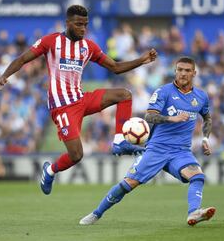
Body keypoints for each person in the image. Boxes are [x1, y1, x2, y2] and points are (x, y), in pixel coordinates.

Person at [0, 5, 157, 195]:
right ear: (68, 23)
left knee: (125, 95)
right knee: (76, 155)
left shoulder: (88, 47)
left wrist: (142, 60)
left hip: (81, 99)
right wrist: (5, 75)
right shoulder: (51, 41)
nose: (83, 28)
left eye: (85, 25)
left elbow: (115, 67)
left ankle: (120, 140)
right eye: (79, 24)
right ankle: (50, 170)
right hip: (62, 107)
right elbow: (23, 59)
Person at [79, 57, 215, 226]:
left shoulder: (201, 96)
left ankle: (193, 213)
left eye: (187, 70)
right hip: (156, 149)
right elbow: (149, 115)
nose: (183, 73)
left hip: (181, 151)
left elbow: (207, 118)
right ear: (175, 71)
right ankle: (96, 213)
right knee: (129, 184)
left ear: (194, 73)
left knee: (198, 176)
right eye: (179, 69)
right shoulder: (163, 92)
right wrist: (171, 119)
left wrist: (205, 138)